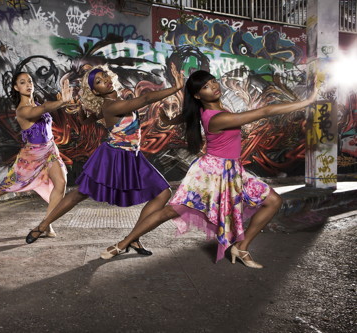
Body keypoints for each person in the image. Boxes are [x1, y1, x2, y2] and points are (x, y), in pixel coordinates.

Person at [101, 70, 318, 268]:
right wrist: (307, 101)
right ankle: (123, 243)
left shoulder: (204, 110)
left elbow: (184, 116)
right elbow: (266, 111)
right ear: (197, 95)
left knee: (273, 201)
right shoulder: (218, 118)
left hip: (233, 171)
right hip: (210, 173)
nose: (213, 87)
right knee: (170, 211)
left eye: (213, 82)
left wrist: (169, 119)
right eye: (205, 86)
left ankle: (241, 248)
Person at [25, 64, 185, 258]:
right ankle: (41, 227)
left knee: (163, 193)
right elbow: (145, 98)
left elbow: (86, 121)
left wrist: (82, 111)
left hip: (132, 156)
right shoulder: (113, 106)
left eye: (105, 76)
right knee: (79, 194)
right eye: (98, 82)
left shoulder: (110, 104)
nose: (105, 81)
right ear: (94, 91)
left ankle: (133, 237)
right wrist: (176, 87)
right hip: (113, 157)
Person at [0, 71, 72, 234]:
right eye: (23, 82)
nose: (28, 84)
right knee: (2, 188)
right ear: (16, 88)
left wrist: (67, 103)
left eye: (30, 81)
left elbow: (46, 109)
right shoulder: (22, 110)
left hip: (51, 150)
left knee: (61, 184)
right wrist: (61, 102)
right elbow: (45, 108)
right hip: (32, 156)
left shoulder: (37, 104)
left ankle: (46, 224)